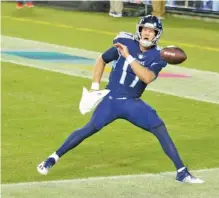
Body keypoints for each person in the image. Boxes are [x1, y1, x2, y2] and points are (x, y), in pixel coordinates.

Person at [37, 15, 204, 184]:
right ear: (139, 30)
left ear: (157, 35)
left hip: (132, 102)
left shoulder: (158, 56)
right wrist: (95, 87)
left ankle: (181, 172)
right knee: (89, 129)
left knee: (158, 127)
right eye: (144, 29)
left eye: (151, 31)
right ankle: (52, 158)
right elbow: (102, 60)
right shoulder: (125, 43)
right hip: (111, 99)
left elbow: (146, 77)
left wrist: (129, 57)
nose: (147, 33)